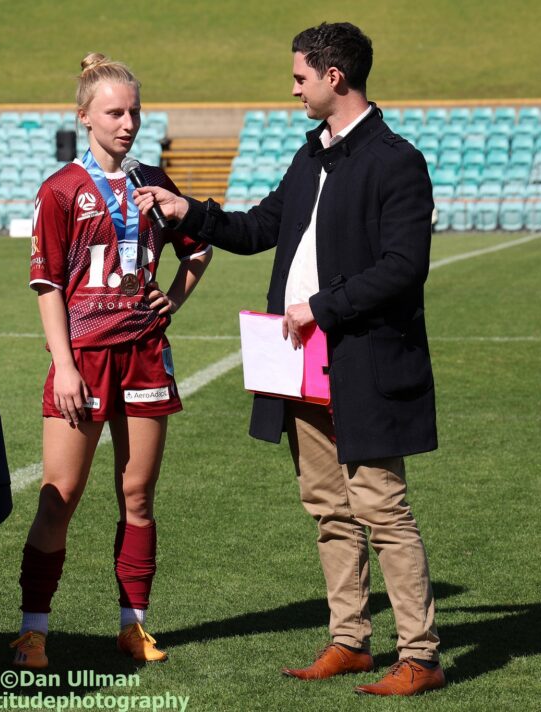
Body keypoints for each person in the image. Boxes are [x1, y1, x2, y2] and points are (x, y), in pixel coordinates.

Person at [133, 22, 445, 696]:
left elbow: (403, 268)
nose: (293, 86)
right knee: (328, 509)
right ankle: (350, 641)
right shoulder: (309, 157)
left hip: (363, 360)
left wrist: (322, 307)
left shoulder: (396, 161)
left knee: (382, 510)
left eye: (301, 75)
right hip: (297, 361)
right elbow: (258, 229)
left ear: (336, 76)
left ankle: (419, 654)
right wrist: (186, 210)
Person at [11, 52, 212, 670]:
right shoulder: (61, 190)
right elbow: (48, 286)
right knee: (59, 495)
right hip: (85, 360)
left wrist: (171, 301)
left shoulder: (155, 184)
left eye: (135, 112)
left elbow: (199, 249)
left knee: (138, 493)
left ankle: (133, 626)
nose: (128, 123)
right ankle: (33, 631)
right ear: (85, 117)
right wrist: (64, 365)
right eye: (115, 112)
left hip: (146, 355)